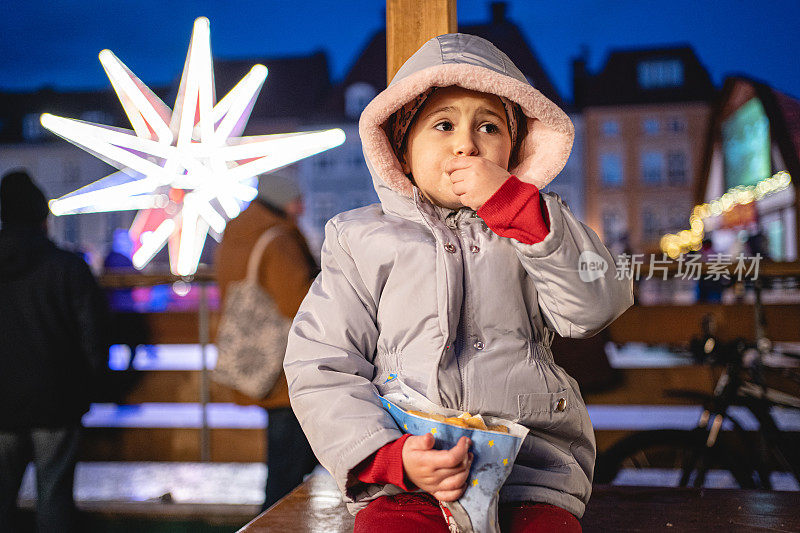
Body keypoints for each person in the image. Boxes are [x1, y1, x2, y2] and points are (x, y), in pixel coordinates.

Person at [283, 34, 633, 532]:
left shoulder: (541, 224)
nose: (466, 143)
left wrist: (519, 210)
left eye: (489, 127)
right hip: (409, 479)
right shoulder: (360, 239)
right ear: (402, 151)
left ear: (513, 151)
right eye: (442, 124)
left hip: (528, 474)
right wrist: (388, 455)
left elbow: (596, 305)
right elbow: (320, 363)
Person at [0, 170, 110, 532]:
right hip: (56, 399)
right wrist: (89, 386)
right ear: (43, 218)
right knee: (55, 496)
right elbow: (93, 333)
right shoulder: (68, 268)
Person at [215, 171, 319, 510]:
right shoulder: (278, 239)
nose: (300, 206)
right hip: (286, 366)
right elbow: (298, 301)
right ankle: (274, 524)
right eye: (296, 199)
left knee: (282, 461)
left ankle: (272, 520)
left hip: (263, 360)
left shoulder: (238, 232)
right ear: (282, 201)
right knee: (288, 466)